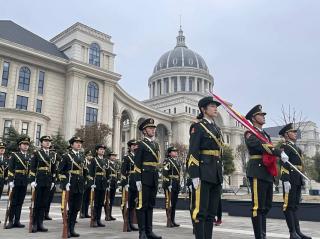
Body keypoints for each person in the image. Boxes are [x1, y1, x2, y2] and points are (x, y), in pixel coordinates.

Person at [244, 104, 286, 239]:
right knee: (258, 206)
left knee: (266, 206)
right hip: (257, 170)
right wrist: (278, 151)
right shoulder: (250, 132)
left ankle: (263, 234)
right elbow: (258, 145)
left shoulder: (265, 134)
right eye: (260, 115)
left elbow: (268, 147)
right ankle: (259, 236)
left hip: (267, 172)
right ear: (253, 118)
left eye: (263, 115)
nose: (263, 117)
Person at [187, 96, 224, 239]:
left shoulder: (216, 127)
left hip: (215, 173)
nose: (215, 109)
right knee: (200, 212)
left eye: (216, 106)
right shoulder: (198, 126)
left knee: (211, 213)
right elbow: (193, 151)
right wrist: (194, 174)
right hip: (203, 172)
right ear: (203, 109)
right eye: (212, 106)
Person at [279, 123, 312, 239]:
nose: (295, 133)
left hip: (297, 178)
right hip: (290, 179)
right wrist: (285, 180)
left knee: (294, 206)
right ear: (286, 134)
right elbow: (283, 164)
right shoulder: (285, 147)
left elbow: (299, 165)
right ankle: (292, 232)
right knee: (288, 206)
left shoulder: (296, 147)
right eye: (292, 132)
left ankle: (298, 232)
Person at [134, 118, 162, 239]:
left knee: (150, 205)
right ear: (144, 131)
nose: (153, 130)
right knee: (142, 205)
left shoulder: (155, 144)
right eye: (150, 128)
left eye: (154, 128)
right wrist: (138, 180)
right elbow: (137, 164)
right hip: (144, 178)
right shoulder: (140, 145)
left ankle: (149, 231)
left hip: (154, 177)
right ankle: (142, 232)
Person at [58, 136, 88, 237]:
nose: (79, 144)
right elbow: (60, 171)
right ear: (71, 145)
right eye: (76, 142)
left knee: (76, 208)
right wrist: (65, 182)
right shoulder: (66, 156)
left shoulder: (82, 156)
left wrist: (86, 181)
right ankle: (67, 229)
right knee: (69, 208)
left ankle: (72, 229)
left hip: (79, 185)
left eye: (80, 142)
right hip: (70, 184)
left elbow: (84, 171)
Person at [29, 135, 57, 232]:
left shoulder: (52, 155)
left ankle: (40, 223)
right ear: (41, 143)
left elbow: (53, 169)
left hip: (48, 180)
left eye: (49, 141)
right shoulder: (37, 153)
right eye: (45, 141)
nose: (47, 142)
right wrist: (32, 180)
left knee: (44, 203)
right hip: (39, 179)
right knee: (37, 202)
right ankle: (34, 223)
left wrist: (53, 181)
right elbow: (32, 167)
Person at [6, 136, 31, 229]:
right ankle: (10, 221)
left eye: (27, 145)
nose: (26, 146)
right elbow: (10, 168)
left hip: (24, 181)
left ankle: (17, 220)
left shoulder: (29, 156)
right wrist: (10, 180)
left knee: (20, 202)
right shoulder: (14, 155)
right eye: (24, 144)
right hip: (16, 180)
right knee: (13, 202)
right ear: (20, 145)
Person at [120, 139, 139, 231]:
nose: (135, 147)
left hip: (136, 183)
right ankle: (126, 223)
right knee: (125, 203)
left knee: (132, 204)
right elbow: (123, 172)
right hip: (129, 182)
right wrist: (125, 183)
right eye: (133, 145)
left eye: (136, 145)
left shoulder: (139, 157)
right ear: (130, 147)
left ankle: (131, 223)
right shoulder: (126, 157)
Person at [88, 144, 108, 227]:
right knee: (95, 203)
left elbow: (107, 173)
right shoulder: (94, 160)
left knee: (101, 203)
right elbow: (90, 173)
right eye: (100, 149)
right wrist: (91, 183)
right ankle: (94, 219)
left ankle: (99, 219)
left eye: (103, 149)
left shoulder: (106, 161)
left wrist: (107, 183)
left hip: (103, 183)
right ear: (97, 151)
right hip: (96, 183)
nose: (102, 150)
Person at [162, 146, 181, 227]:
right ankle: (169, 220)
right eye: (173, 151)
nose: (176, 152)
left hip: (175, 183)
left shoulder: (177, 162)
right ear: (169, 153)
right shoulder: (167, 161)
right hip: (170, 183)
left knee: (174, 203)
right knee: (168, 203)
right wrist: (167, 184)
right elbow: (165, 173)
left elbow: (178, 174)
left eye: (176, 151)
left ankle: (173, 220)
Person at [105, 151, 118, 221]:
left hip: (114, 183)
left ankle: (110, 214)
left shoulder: (116, 164)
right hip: (109, 183)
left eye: (115, 156)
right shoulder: (107, 163)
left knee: (112, 200)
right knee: (107, 199)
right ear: (109, 156)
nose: (114, 157)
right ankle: (107, 215)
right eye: (112, 156)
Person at [80, 151, 94, 219]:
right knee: (83, 198)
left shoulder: (90, 163)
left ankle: (86, 212)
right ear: (86, 156)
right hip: (84, 182)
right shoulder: (84, 162)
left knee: (88, 198)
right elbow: (83, 172)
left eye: (91, 155)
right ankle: (82, 213)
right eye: (89, 155)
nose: (90, 157)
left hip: (89, 182)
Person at [0, 141, 9, 224]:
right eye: (1, 148)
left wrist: (6, 179)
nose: (2, 150)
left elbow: (6, 171)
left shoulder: (6, 159)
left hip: (1, 181)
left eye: (3, 148)